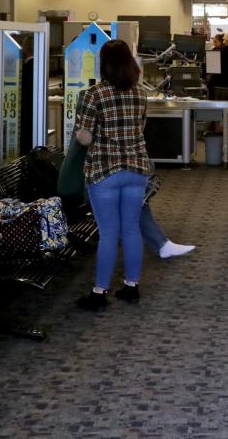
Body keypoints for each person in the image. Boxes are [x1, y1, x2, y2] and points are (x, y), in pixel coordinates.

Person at [75, 39, 151, 311]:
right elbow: (141, 127)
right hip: (136, 168)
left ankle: (99, 292)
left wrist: (85, 133)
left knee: (108, 233)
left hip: (105, 169)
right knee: (131, 229)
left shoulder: (93, 94)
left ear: (104, 64)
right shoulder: (140, 93)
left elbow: (84, 138)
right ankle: (131, 286)